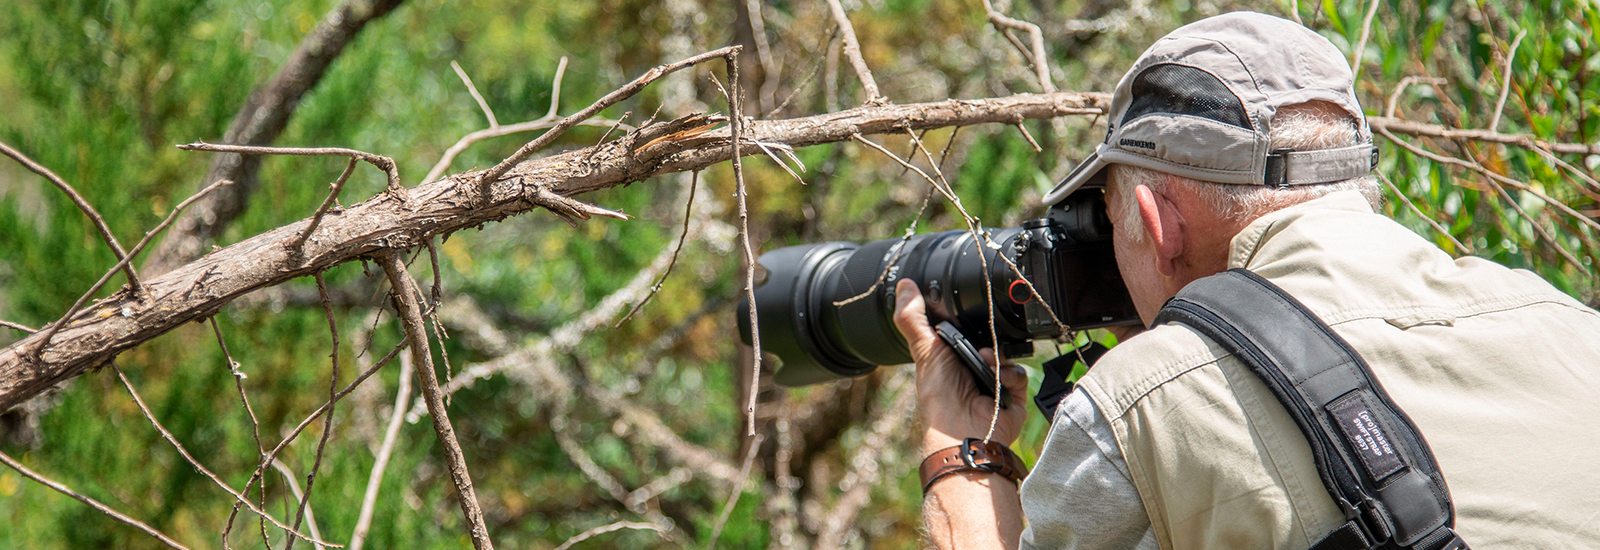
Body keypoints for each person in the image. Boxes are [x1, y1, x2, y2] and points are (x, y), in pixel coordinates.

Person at [893, 11, 1600, 550]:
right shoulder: (1570, 329)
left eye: (1113, 226)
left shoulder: (1142, 402)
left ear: (1158, 223)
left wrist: (962, 453)